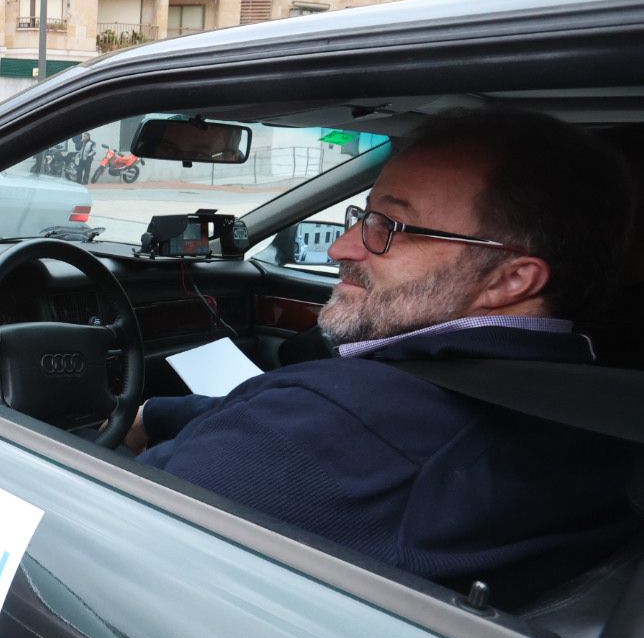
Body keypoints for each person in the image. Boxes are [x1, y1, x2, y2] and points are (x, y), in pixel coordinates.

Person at [127, 109, 638, 609]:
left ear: (511, 280)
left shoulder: (327, 426)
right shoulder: (599, 398)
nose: (342, 249)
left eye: (390, 226)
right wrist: (157, 412)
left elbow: (100, 524)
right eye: (363, 216)